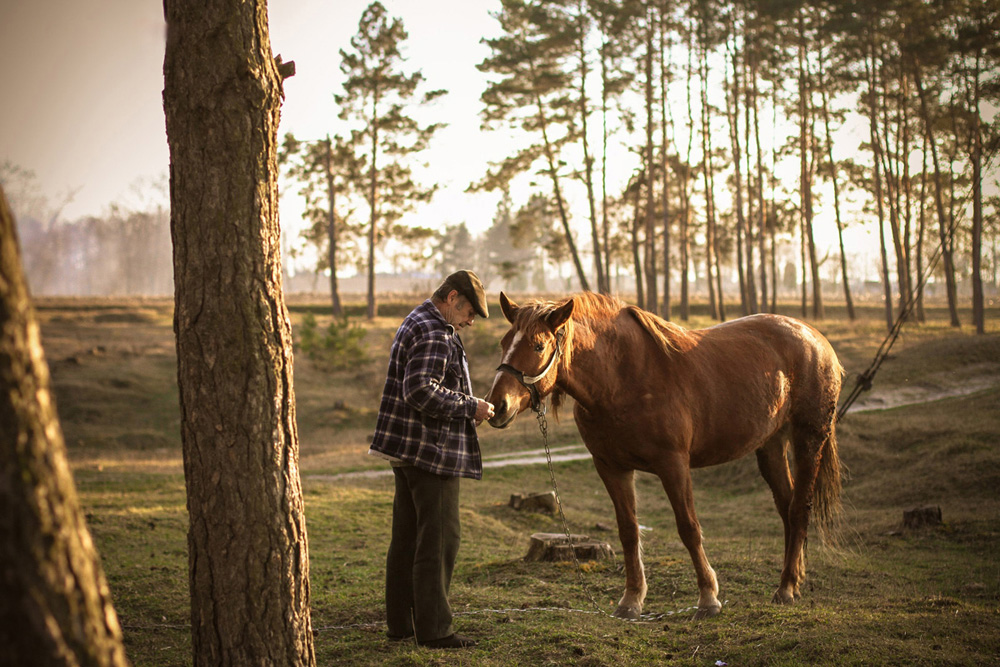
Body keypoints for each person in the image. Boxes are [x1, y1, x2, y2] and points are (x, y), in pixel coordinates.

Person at [368, 270, 495, 649]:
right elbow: (421, 389)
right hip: (431, 452)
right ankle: (435, 630)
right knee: (440, 540)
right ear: (452, 297)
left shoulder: (417, 319)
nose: (471, 321)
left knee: (407, 538)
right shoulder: (436, 331)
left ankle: (401, 625)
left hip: (408, 451)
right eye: (470, 311)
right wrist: (472, 406)